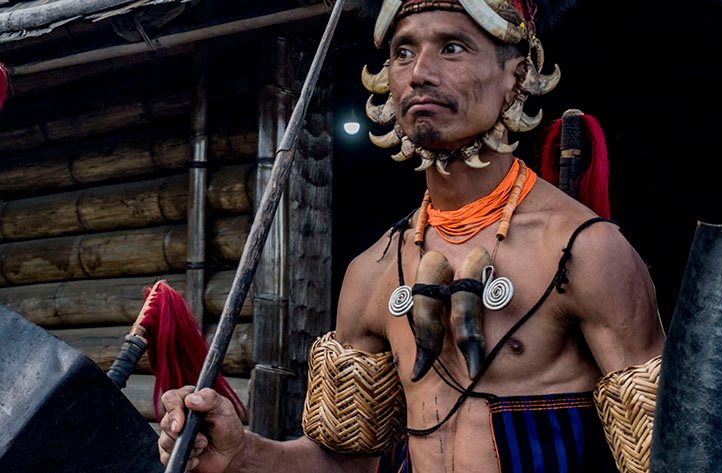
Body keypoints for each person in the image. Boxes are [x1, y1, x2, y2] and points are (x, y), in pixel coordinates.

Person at [158, 1, 666, 472]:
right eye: (404, 51)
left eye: (452, 47)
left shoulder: (583, 252)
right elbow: (344, 462)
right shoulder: (373, 272)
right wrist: (242, 451)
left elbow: (669, 457)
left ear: (518, 76)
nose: (420, 73)